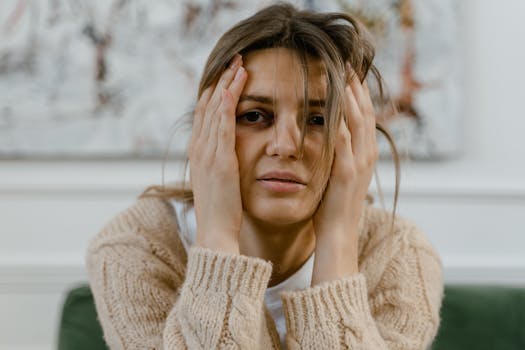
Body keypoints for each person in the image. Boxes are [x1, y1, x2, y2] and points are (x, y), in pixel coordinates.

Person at [87, 3, 443, 349]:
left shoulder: (399, 255)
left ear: (358, 138)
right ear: (210, 128)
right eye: (255, 115)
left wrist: (337, 238)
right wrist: (218, 238)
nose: (286, 146)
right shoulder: (135, 248)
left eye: (317, 120)